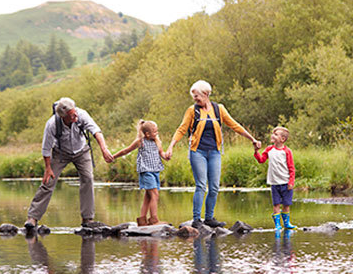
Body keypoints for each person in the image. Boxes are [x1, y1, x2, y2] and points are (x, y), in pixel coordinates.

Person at [165, 80, 261, 229]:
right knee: (201, 185)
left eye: (197, 96)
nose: (195, 99)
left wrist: (252, 139)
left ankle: (209, 218)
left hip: (215, 152)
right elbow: (182, 129)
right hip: (198, 152)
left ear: (206, 94)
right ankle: (197, 219)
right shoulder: (192, 110)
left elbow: (234, 125)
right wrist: (171, 146)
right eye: (194, 97)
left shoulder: (219, 109)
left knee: (214, 186)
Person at [24, 97, 113, 230]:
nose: (75, 115)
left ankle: (87, 219)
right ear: (63, 116)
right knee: (48, 182)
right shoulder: (52, 124)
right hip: (60, 153)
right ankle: (32, 218)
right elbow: (46, 148)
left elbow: (96, 131)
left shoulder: (81, 114)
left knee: (88, 179)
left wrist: (104, 149)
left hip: (82, 151)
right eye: (72, 115)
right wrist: (48, 168)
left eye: (74, 111)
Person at [113, 120, 168, 226]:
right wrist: (114, 156)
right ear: (147, 134)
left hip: (155, 171)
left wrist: (166, 156)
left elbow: (161, 153)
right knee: (155, 195)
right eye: (155, 132)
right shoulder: (141, 142)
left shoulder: (157, 141)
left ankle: (142, 219)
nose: (157, 134)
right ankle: (154, 219)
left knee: (148, 196)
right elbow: (126, 150)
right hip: (146, 171)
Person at [254, 126, 297, 230]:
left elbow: (291, 168)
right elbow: (261, 160)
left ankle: (286, 223)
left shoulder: (287, 151)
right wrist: (256, 152)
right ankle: (277, 225)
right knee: (276, 204)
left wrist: (291, 181)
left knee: (286, 204)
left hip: (286, 182)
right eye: (273, 133)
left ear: (283, 139)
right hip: (274, 183)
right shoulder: (269, 149)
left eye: (276, 134)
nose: (272, 135)